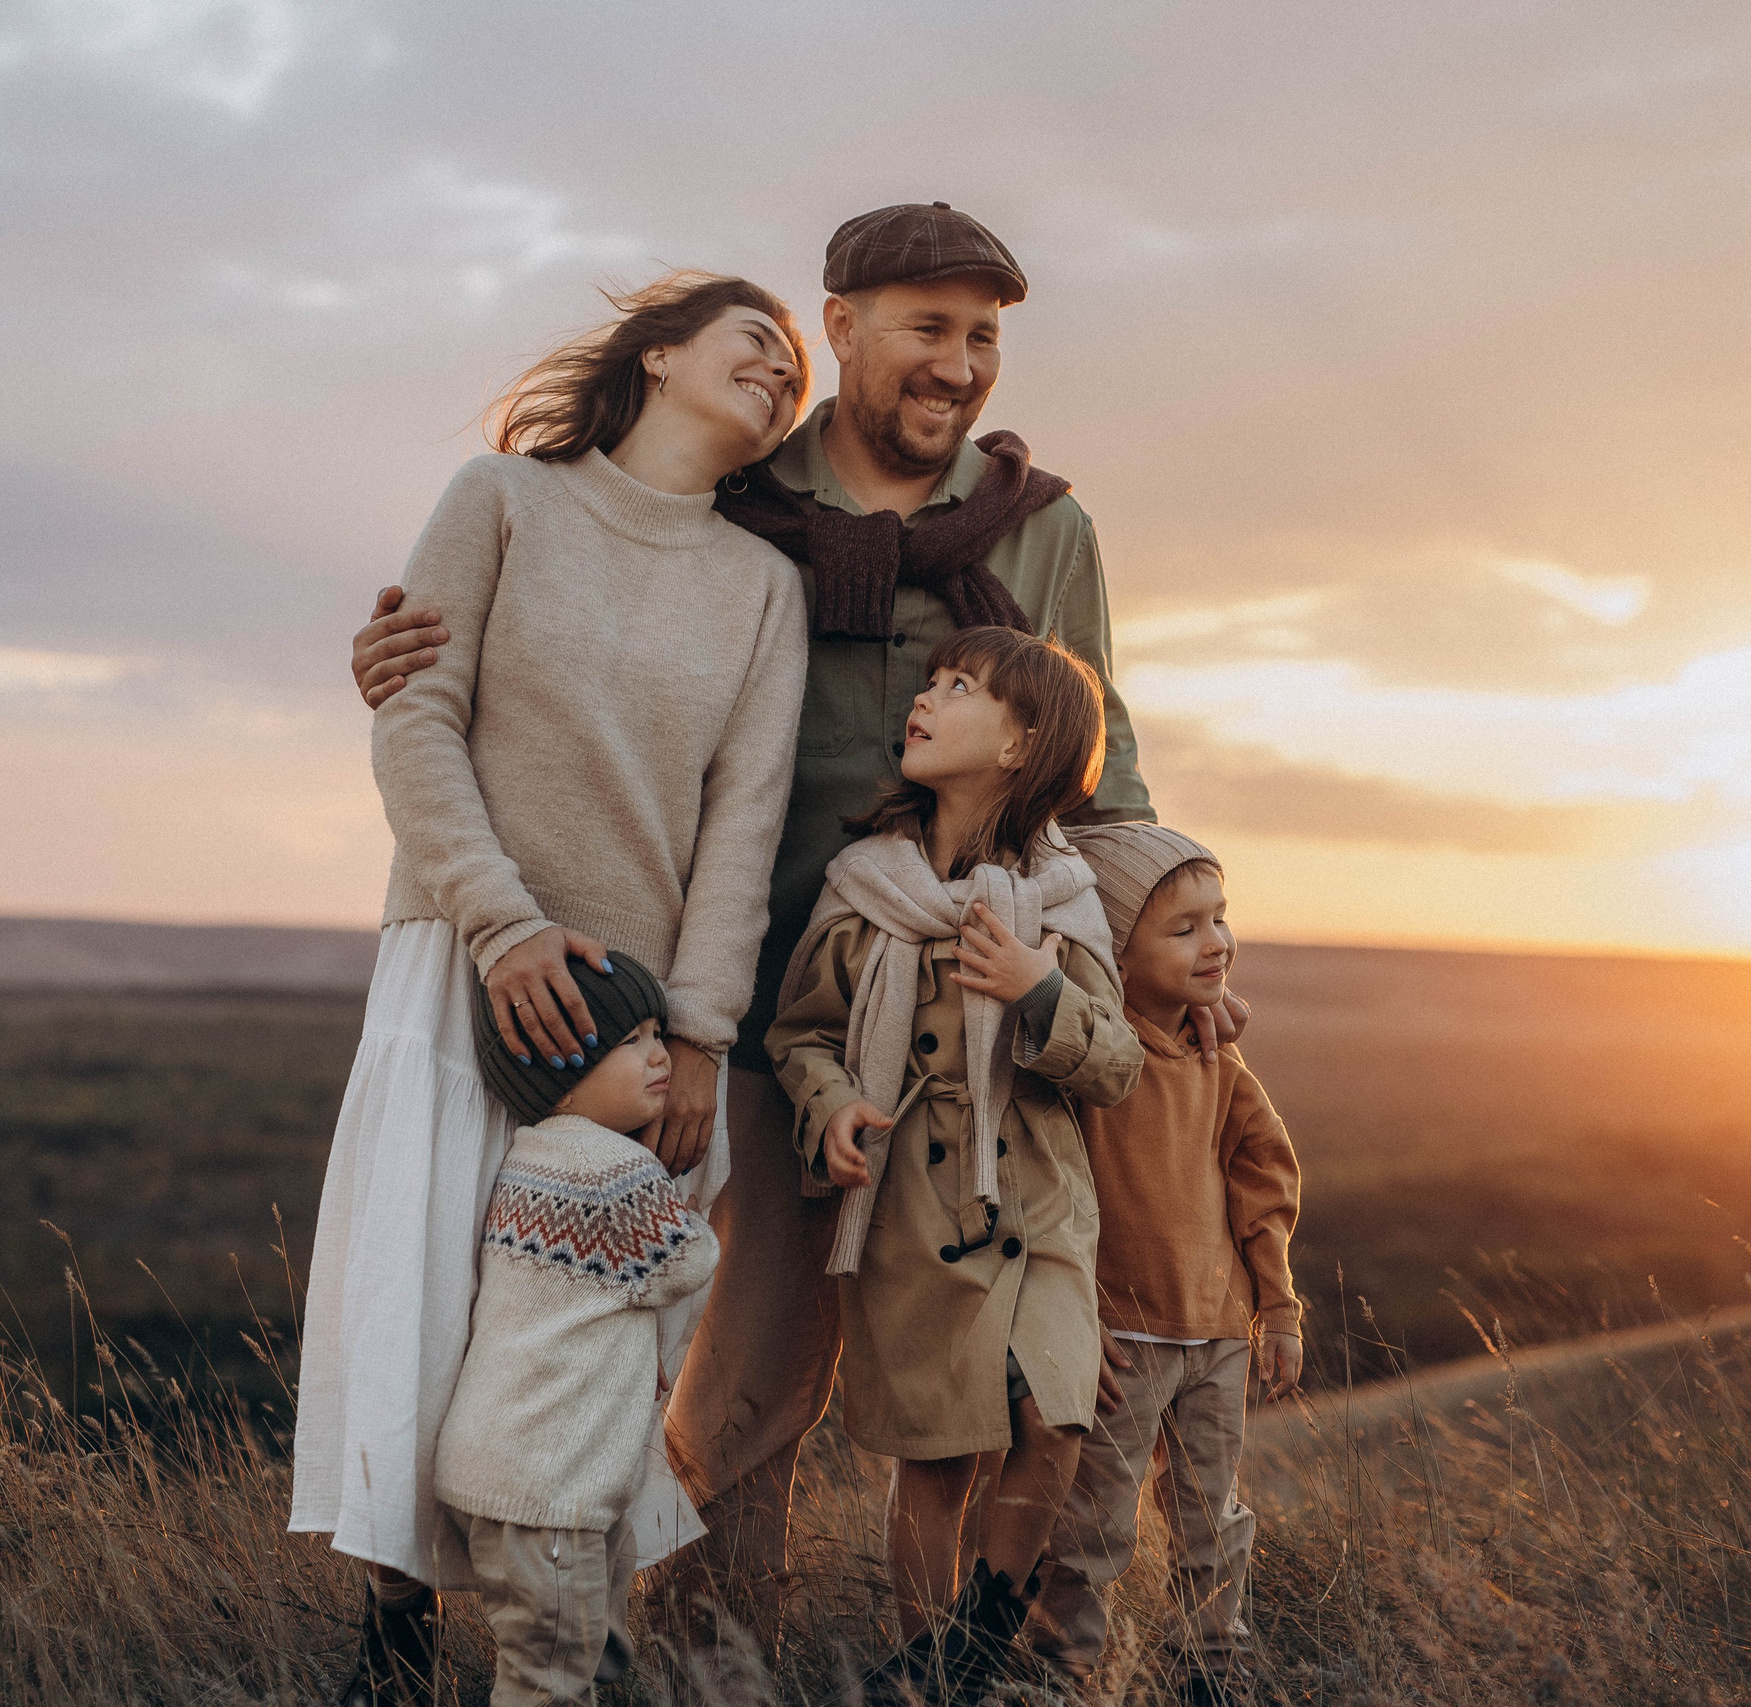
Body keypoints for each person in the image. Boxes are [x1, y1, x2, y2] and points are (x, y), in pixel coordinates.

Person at [348, 202, 1246, 1640]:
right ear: (842, 328)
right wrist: (397, 651)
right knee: (745, 1369)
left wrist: (1183, 941)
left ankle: (1010, 1656)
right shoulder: (738, 481)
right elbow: (597, 579)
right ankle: (709, 1645)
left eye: (983, 335)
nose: (956, 363)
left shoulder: (1048, 531)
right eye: (926, 327)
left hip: (983, 1020)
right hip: (757, 1002)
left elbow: (1103, 776)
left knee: (1034, 1378)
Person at [293, 270, 811, 1706]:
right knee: (430, 1290)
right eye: (755, 343)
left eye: (796, 371)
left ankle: (580, 1631)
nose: (781, 373)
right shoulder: (503, 499)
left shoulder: (764, 588)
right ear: (655, 357)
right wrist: (505, 926)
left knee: (590, 1324)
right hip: (464, 954)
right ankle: (392, 1635)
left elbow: (743, 825)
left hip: (632, 1018)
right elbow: (417, 716)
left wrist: (700, 1030)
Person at [765, 626, 1143, 1703]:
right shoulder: (864, 889)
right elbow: (799, 1035)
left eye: (959, 687)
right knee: (936, 1455)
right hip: (911, 1210)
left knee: (1054, 1422)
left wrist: (1039, 987)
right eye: (928, 683)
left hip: (1042, 1204)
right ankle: (928, 1673)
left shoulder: (1063, 902)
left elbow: (1116, 1065)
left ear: (1024, 741)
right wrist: (831, 1105)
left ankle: (970, 1658)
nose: (925, 699)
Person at [1021, 824, 1302, 1706]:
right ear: (1112, 947)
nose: (1215, 942)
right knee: (1091, 1526)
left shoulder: (1221, 1061)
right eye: (1184, 927)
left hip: (1216, 1337)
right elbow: (1047, 1189)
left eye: (1219, 918)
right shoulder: (1092, 1065)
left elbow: (1267, 1179)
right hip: (1122, 1340)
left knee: (1212, 1519)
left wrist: (1279, 1308)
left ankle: (1212, 1668)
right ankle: (1059, 1675)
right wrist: (1069, 1317)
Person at [432, 953, 718, 1707]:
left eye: (658, 1032)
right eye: (631, 1041)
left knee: (568, 1653)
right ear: (561, 1069)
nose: (660, 1053)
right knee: (549, 1677)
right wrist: (685, 1205)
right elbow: (684, 1262)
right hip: (550, 1492)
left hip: (506, 1473)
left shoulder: (526, 1158)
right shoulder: (616, 1171)